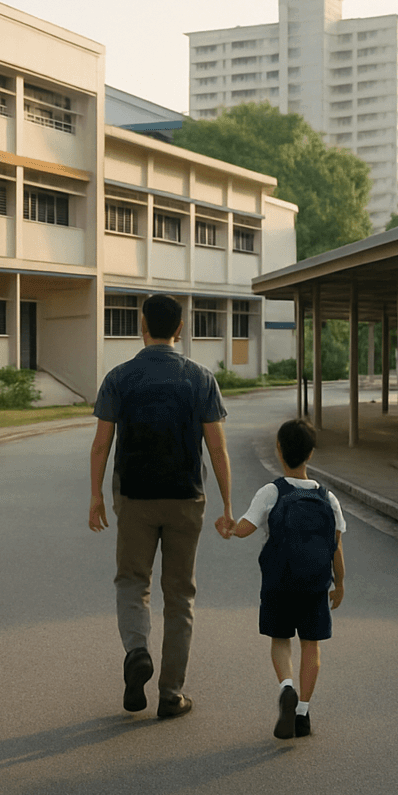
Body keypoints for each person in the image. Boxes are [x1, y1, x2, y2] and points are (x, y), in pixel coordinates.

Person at [88, 294, 234, 719]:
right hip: (186, 497)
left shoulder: (119, 377)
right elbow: (218, 448)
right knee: (180, 595)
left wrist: (96, 495)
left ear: (142, 326)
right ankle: (170, 693)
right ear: (181, 327)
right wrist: (227, 504)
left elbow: (101, 444)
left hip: (134, 498)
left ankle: (137, 652)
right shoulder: (201, 378)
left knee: (132, 581)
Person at [222, 418, 345, 739]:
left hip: (279, 583)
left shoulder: (271, 492)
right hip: (316, 586)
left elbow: (245, 529)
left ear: (278, 450)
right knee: (310, 646)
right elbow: (336, 546)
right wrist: (340, 583)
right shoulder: (328, 498)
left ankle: (286, 687)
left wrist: (230, 528)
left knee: (280, 641)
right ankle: (302, 712)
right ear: (311, 454)